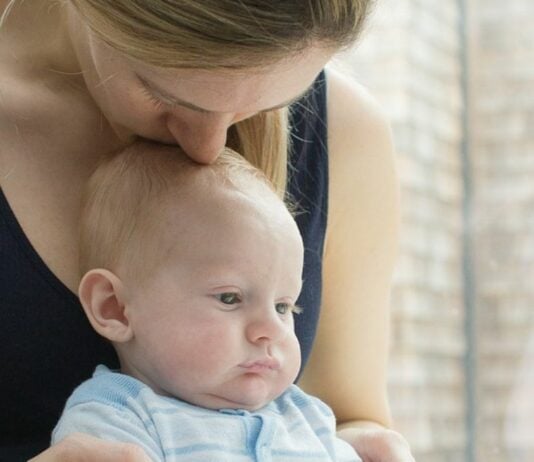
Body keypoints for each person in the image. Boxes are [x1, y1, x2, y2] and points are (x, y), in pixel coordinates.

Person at [0, 0, 414, 461]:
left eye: (268, 105)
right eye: (165, 95)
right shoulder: (120, 417)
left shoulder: (346, 132)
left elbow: (347, 413)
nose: (207, 147)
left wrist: (360, 444)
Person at [51, 142, 363, 462]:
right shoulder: (115, 421)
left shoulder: (306, 418)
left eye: (283, 306)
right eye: (230, 298)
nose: (271, 329)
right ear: (114, 307)